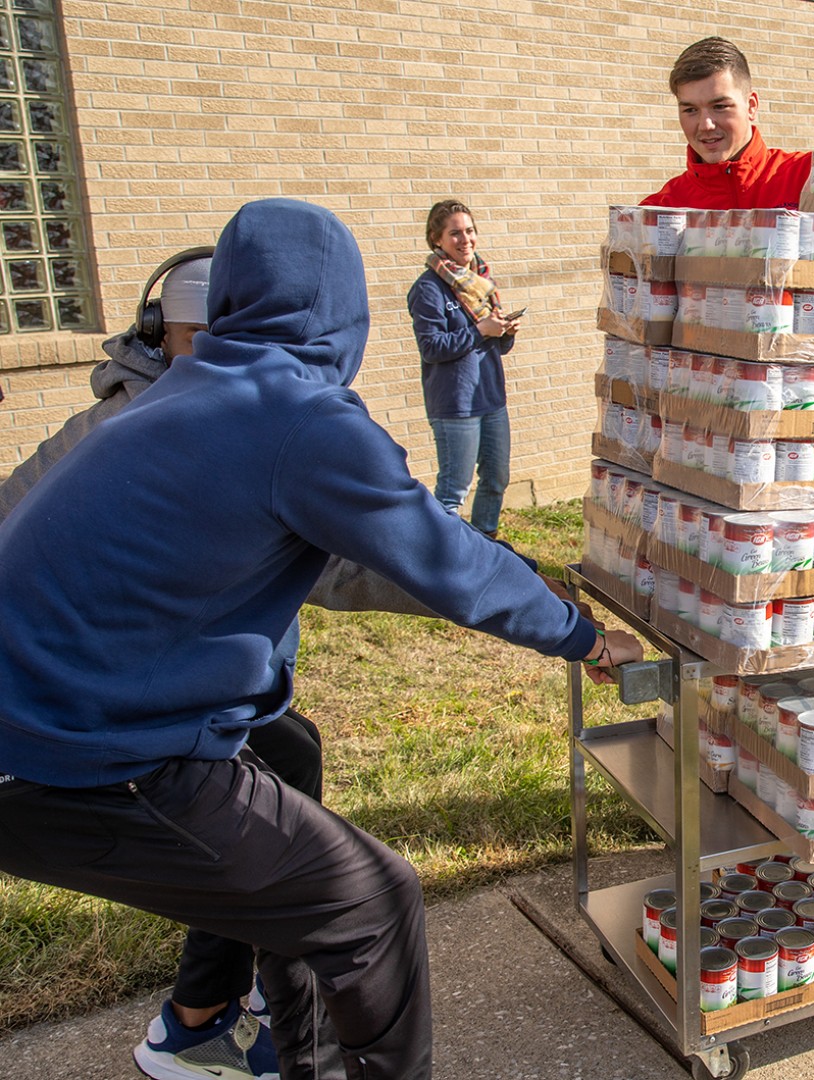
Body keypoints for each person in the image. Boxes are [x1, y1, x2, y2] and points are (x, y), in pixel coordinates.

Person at [0, 198, 643, 1080]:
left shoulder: (186, 389)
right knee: (372, 903)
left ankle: (275, 1052)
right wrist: (583, 636)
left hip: (64, 724)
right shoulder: (295, 415)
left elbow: (360, 560)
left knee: (290, 805)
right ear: (344, 309)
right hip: (83, 754)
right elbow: (440, 557)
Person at [408, 199, 519, 539]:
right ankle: (444, 558)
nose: (465, 239)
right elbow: (431, 347)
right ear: (436, 239)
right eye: (454, 233)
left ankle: (485, 544)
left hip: (490, 398)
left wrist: (503, 333)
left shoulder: (480, 282)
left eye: (469, 231)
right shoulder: (428, 289)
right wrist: (480, 330)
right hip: (456, 405)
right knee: (454, 489)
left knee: (496, 479)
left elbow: (494, 345)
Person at [640, 37, 814, 210]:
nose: (705, 125)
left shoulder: (812, 175)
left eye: (720, 106)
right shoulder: (658, 211)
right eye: (690, 110)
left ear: (751, 106)